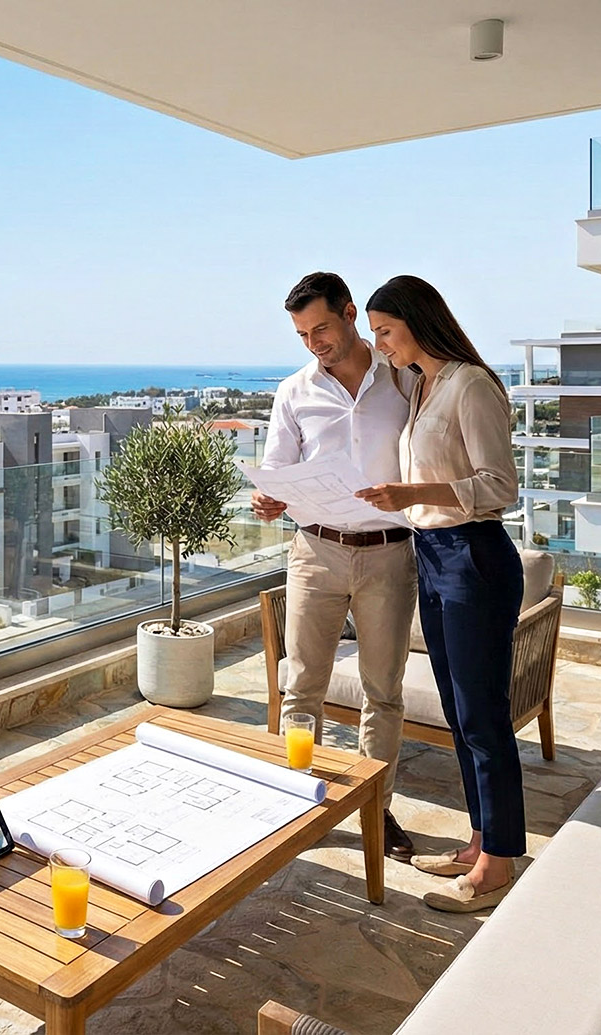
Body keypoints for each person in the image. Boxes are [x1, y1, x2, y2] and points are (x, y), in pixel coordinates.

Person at [354, 275, 524, 913]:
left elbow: (500, 485)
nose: (382, 346)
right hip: (432, 554)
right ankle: (482, 840)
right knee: (460, 713)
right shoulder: (419, 384)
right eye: (375, 335)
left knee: (483, 715)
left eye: (387, 332)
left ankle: (499, 864)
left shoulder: (471, 386)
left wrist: (410, 496)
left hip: (473, 556)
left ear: (418, 323)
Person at [253, 272, 418, 863]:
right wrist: (267, 499)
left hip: (389, 553)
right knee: (301, 687)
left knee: (383, 692)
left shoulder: (404, 377)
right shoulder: (294, 392)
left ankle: (378, 806)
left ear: (350, 314)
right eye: (302, 333)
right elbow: (276, 468)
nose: (313, 342)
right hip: (315, 552)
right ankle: (298, 798)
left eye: (321, 327)